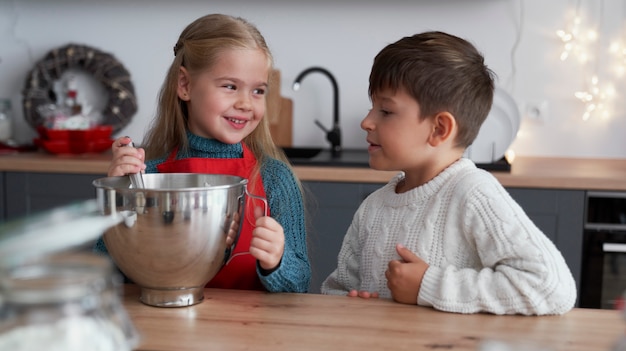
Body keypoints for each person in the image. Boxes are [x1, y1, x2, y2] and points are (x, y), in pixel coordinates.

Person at [321, 31, 577, 315]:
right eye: (372, 108)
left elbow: (551, 286)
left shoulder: (474, 193)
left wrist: (429, 285)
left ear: (439, 129)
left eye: (386, 111)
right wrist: (349, 303)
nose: (366, 121)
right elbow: (337, 289)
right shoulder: (373, 207)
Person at [96, 13, 311, 293]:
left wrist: (278, 262)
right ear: (185, 85)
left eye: (258, 91)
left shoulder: (275, 178)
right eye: (230, 86)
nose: (246, 103)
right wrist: (118, 199)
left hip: (254, 334)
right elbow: (105, 273)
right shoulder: (145, 177)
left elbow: (301, 285)